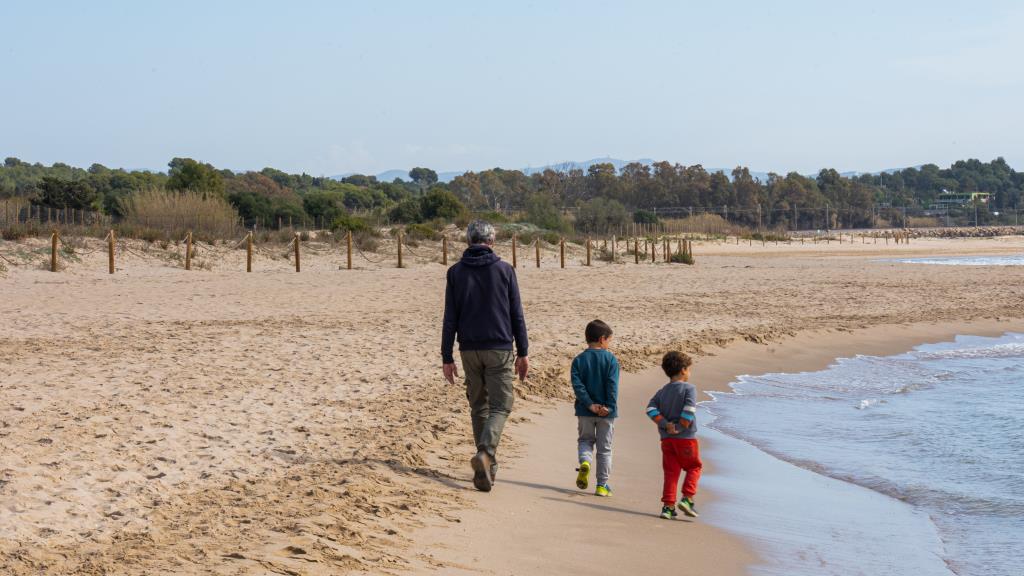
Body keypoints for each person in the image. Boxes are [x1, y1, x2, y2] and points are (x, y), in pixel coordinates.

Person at [441, 220, 529, 492]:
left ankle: (487, 469)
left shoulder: (455, 272)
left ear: (469, 241)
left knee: (478, 405)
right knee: (501, 406)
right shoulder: (505, 270)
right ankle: (486, 452)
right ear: (491, 242)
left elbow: (449, 318)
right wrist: (523, 352)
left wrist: (447, 356)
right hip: (499, 347)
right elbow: (517, 314)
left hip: (468, 349)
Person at [646, 351, 702, 519]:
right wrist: (679, 427)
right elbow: (689, 410)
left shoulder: (662, 391)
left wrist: (664, 424)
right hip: (686, 439)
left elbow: (650, 409)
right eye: (689, 369)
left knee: (671, 473)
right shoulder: (689, 388)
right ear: (684, 370)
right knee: (694, 467)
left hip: (667, 440)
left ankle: (668, 507)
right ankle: (687, 498)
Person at [571, 320, 619, 497]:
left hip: (585, 411)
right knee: (604, 448)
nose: (609, 344)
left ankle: (585, 462)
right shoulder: (611, 360)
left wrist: (590, 404)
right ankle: (601, 485)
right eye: (609, 340)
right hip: (606, 413)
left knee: (585, 441)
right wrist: (609, 406)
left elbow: (578, 386)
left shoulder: (578, 360)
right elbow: (612, 385)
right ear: (602, 339)